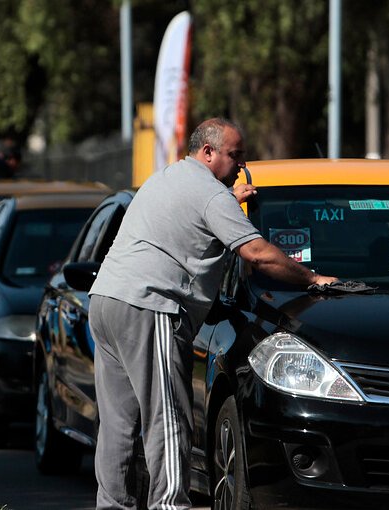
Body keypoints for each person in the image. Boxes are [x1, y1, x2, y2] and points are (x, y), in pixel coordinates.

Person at [88, 117, 337, 509]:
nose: (241, 165)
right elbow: (255, 254)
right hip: (149, 306)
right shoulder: (210, 195)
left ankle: (112, 505)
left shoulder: (167, 177)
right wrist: (312, 278)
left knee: (118, 422)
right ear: (208, 152)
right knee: (168, 420)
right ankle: (170, 505)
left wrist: (228, 197)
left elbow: (192, 219)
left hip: (106, 301)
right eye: (235, 156)